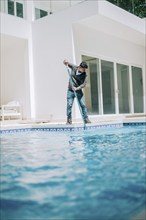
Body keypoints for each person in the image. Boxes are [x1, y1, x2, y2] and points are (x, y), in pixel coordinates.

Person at [63, 59, 91, 125]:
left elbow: (84, 84)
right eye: (83, 69)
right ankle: (69, 120)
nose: (84, 71)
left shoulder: (84, 75)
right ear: (80, 67)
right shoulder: (74, 67)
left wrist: (77, 88)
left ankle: (86, 119)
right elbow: (66, 63)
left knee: (83, 105)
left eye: (85, 70)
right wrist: (65, 62)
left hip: (78, 91)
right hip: (70, 90)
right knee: (69, 105)